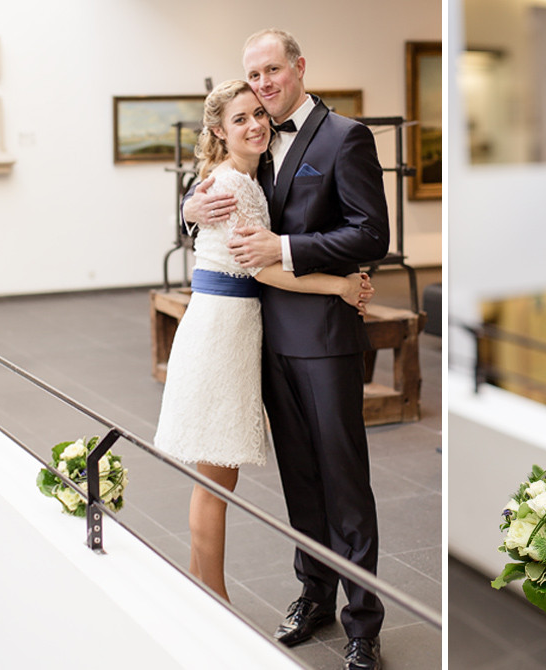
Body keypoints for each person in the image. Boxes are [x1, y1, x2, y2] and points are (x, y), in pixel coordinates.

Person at [182, 29, 389, 670]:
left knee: (343, 479)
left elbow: (370, 233)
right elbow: (208, 214)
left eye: (274, 70)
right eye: (255, 75)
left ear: (299, 67)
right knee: (300, 480)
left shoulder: (344, 137)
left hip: (323, 339)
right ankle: (315, 594)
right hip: (260, 334)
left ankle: (363, 622)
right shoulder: (255, 143)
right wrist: (191, 204)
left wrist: (290, 251)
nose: (266, 84)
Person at [154, 79, 374, 604]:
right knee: (216, 478)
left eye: (259, 114)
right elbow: (265, 267)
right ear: (217, 130)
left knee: (214, 474)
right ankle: (217, 599)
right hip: (223, 331)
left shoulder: (238, 174)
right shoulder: (235, 185)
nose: (255, 124)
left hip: (227, 324)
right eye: (240, 119)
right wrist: (341, 285)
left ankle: (197, 592)